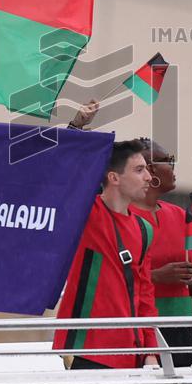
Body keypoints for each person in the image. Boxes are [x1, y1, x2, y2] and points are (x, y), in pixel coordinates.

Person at [52, 140, 160, 369]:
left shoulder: (144, 229)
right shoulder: (87, 214)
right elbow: (63, 176)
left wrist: (151, 351)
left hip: (133, 355)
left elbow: (146, 298)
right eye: (139, 170)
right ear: (114, 178)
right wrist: (77, 128)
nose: (149, 177)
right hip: (88, 351)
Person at [130, 138, 192, 367]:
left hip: (181, 326)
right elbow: (110, 278)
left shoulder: (181, 215)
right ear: (148, 170)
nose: (173, 167)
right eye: (168, 161)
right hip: (140, 325)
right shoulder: (123, 215)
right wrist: (156, 276)